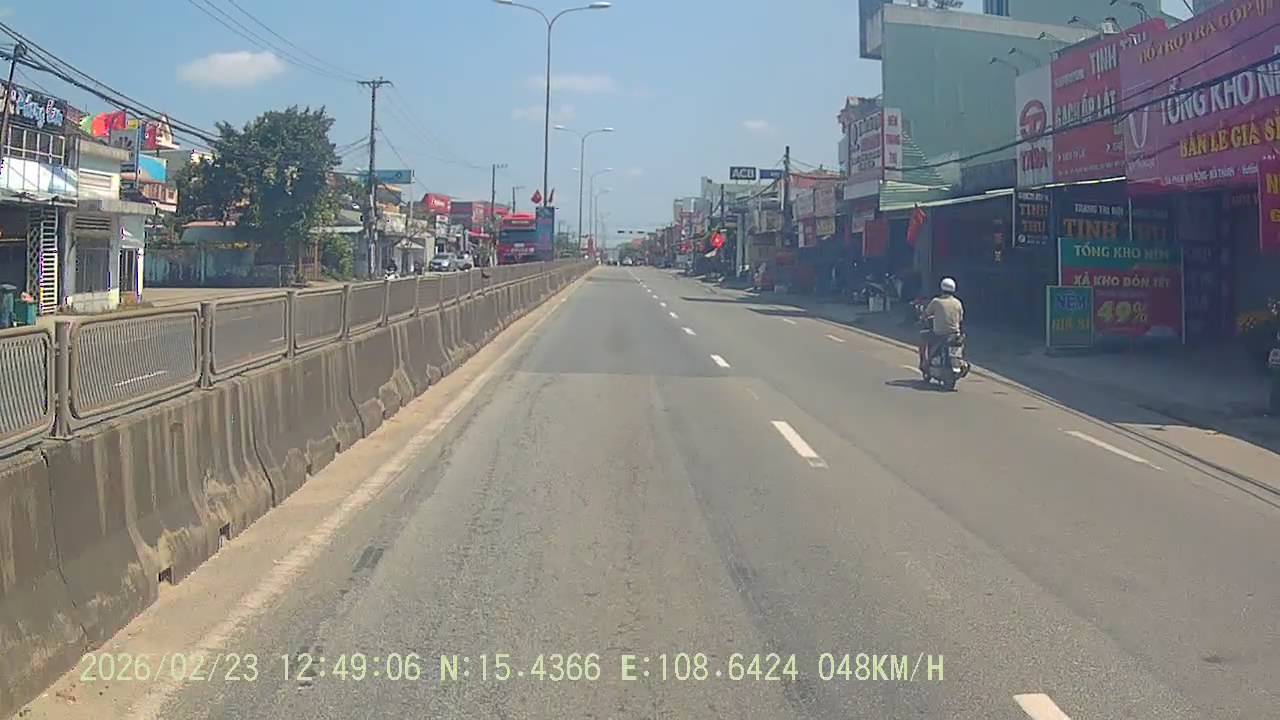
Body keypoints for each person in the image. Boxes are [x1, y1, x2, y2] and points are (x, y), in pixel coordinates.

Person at [919, 277, 964, 368]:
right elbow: (960, 319)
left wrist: (922, 317)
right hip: (955, 334)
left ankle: (924, 362)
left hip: (940, 333)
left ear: (941, 289)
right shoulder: (958, 302)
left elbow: (926, 314)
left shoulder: (936, 301)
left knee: (922, 336)